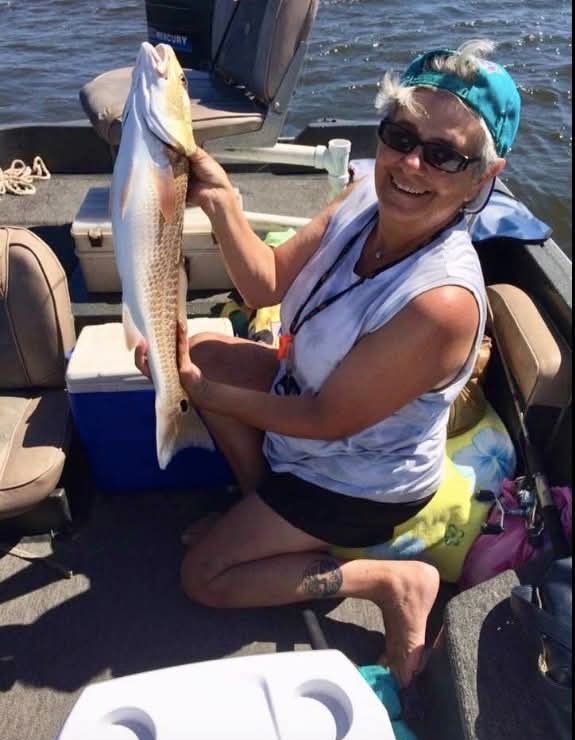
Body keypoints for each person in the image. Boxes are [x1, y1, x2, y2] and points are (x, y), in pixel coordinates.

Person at [135, 38, 521, 687]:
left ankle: (390, 581)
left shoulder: (441, 303)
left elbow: (325, 419)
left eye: (443, 154)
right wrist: (222, 201)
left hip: (357, 482)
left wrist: (198, 390)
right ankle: (265, 510)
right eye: (401, 136)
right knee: (195, 354)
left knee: (205, 577)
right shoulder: (363, 197)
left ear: (482, 175)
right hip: (304, 416)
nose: (410, 164)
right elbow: (264, 284)